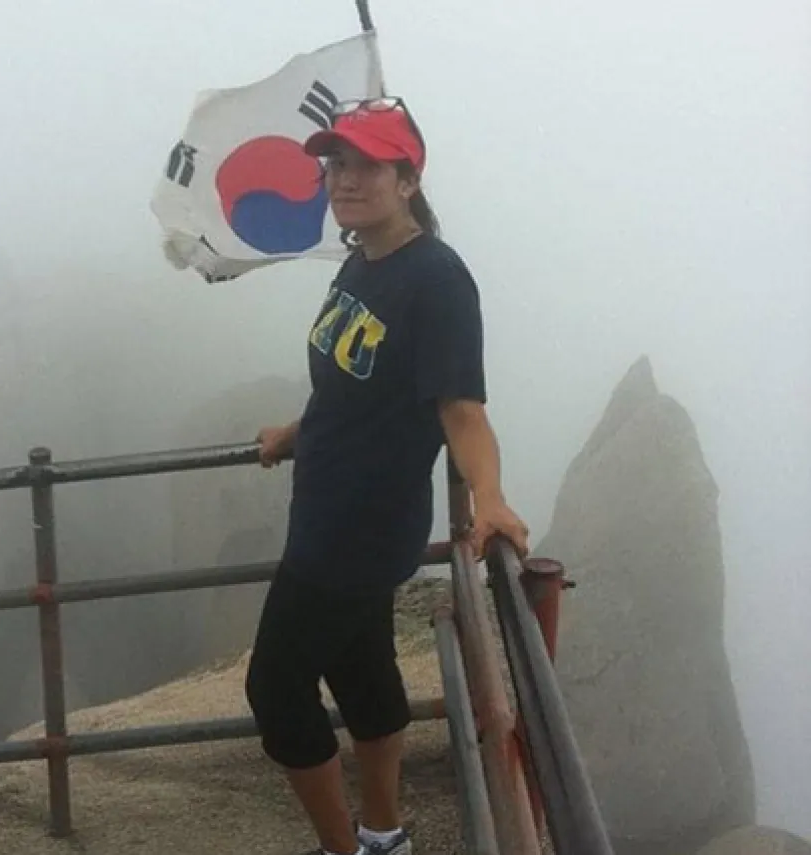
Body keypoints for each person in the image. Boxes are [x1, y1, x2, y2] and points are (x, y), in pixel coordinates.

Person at [243, 97, 530, 855]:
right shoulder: (362, 261)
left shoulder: (436, 280)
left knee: (273, 688)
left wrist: (491, 498)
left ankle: (346, 851)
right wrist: (295, 433)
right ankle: (381, 834)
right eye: (336, 163)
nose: (345, 178)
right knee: (361, 670)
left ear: (408, 178)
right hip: (328, 506)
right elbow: (352, 381)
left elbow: (461, 410)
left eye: (368, 164)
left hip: (359, 528)